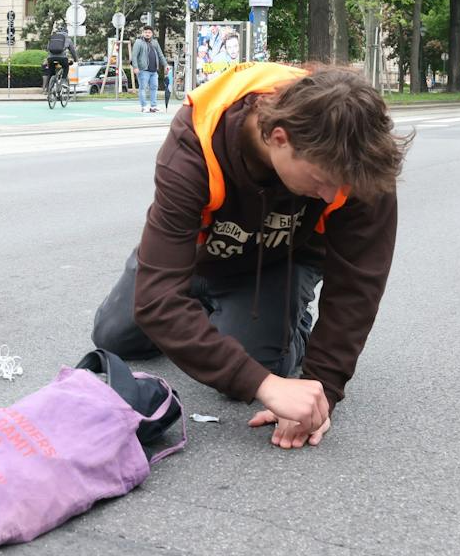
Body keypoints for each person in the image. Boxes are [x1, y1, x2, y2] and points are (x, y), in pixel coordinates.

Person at [91, 63, 408, 450]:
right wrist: (265, 386)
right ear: (279, 138)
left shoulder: (358, 156)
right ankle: (202, 310)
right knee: (113, 336)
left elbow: (358, 285)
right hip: (198, 251)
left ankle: (277, 322)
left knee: (257, 363)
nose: (331, 196)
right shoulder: (196, 140)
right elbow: (158, 301)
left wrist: (320, 390)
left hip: (283, 256)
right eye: (321, 181)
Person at [131, 25, 165, 113]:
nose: (147, 34)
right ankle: (144, 106)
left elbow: (160, 55)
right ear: (143, 33)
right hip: (143, 70)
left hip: (154, 71)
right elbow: (134, 56)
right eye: (145, 32)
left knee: (154, 88)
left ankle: (153, 106)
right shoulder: (138, 42)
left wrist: (166, 65)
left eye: (149, 32)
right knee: (143, 88)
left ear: (152, 34)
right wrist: (135, 67)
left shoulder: (155, 42)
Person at [45, 24, 74, 94]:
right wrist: (75, 59)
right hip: (62, 58)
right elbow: (72, 51)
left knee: (51, 72)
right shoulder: (68, 39)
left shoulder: (53, 38)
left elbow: (48, 48)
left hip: (51, 58)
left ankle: (48, 87)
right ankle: (64, 80)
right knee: (66, 66)